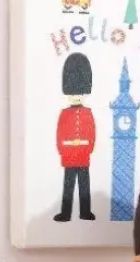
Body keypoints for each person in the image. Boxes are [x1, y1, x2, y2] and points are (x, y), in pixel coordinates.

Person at [55, 52, 97, 223]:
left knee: (84, 187)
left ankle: (85, 212)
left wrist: (87, 147)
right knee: (68, 186)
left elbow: (91, 134)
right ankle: (66, 213)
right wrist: (64, 149)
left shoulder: (88, 113)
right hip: (69, 156)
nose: (76, 95)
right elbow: (60, 135)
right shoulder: (64, 114)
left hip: (83, 155)